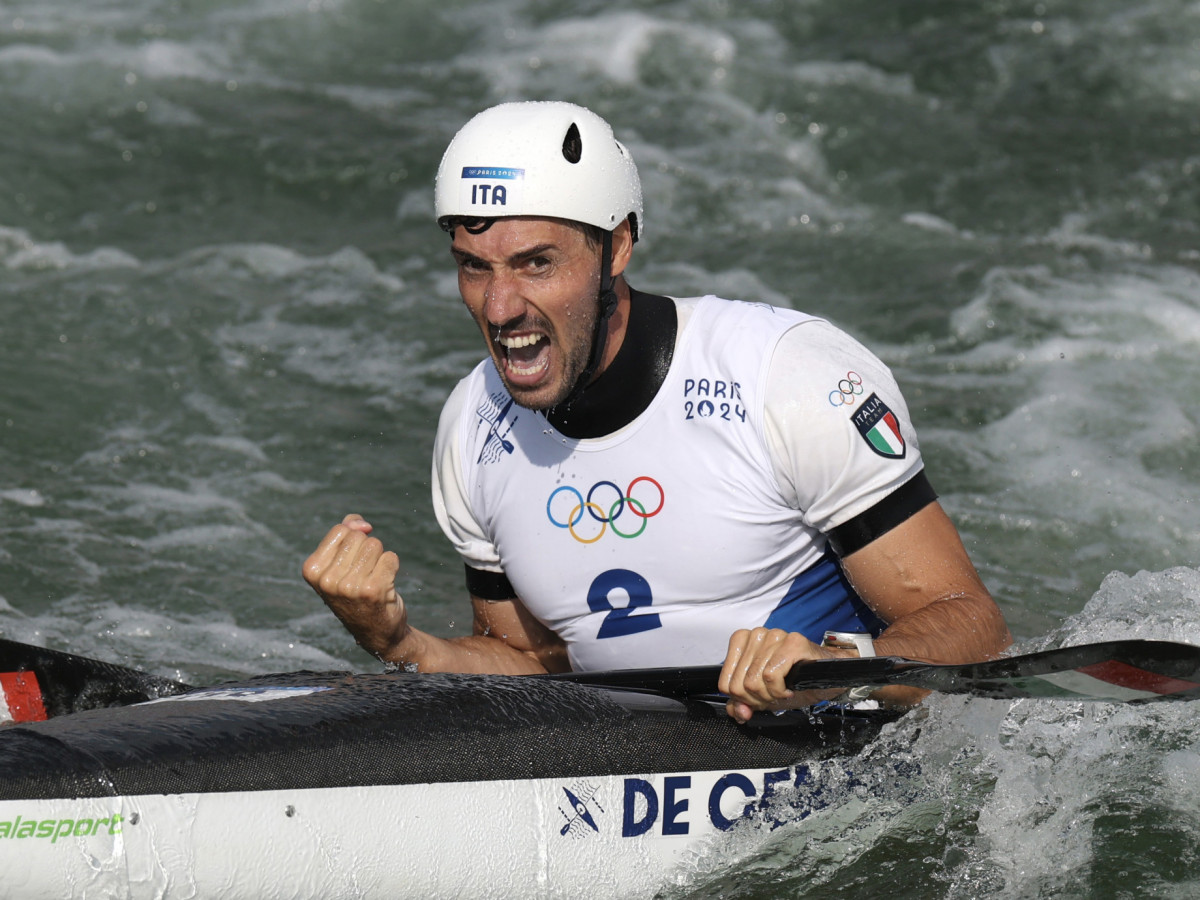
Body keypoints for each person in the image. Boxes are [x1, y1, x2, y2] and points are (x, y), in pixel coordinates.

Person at [303, 101, 1011, 722]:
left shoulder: (783, 375)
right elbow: (533, 667)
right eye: (473, 266)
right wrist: (397, 643)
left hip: (839, 752)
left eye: (537, 264)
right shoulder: (473, 426)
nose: (499, 307)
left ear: (618, 245)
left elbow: (972, 628)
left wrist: (842, 665)